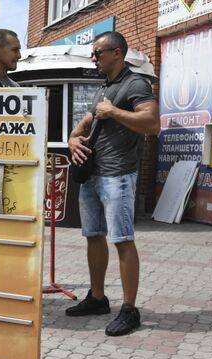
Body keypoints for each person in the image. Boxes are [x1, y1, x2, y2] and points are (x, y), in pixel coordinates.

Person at [66, 32, 160, 336]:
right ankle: (97, 298)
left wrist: (115, 112)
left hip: (118, 175)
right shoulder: (105, 87)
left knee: (122, 239)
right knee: (94, 235)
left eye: (97, 53)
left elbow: (153, 123)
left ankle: (130, 310)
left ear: (116, 53)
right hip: (92, 175)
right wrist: (72, 139)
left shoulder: (136, 83)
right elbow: (86, 122)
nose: (94, 59)